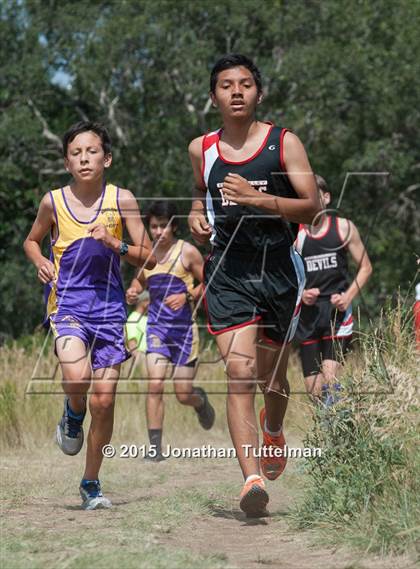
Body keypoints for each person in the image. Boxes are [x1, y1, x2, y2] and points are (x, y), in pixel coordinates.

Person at [187, 53, 321, 517]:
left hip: (279, 273)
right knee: (239, 372)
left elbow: (312, 208)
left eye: (245, 84)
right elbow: (200, 194)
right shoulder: (200, 148)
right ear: (214, 97)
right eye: (227, 85)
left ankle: (274, 431)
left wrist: (256, 199)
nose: (237, 91)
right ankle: (250, 480)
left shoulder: (284, 143)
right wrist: (195, 214)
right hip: (227, 272)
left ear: (258, 93)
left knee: (274, 380)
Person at [23, 121, 156, 509]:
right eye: (76, 153)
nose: (84, 158)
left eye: (92, 151)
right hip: (67, 304)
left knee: (104, 401)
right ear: (67, 162)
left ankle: (91, 482)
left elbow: (148, 254)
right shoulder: (53, 202)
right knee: (77, 377)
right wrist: (39, 261)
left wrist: (115, 242)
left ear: (107, 158)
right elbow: (31, 241)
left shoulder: (122, 199)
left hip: (110, 309)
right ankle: (71, 413)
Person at [126, 200, 215, 462]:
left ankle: (199, 401)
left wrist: (187, 295)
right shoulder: (147, 255)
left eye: (163, 226)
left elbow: (209, 281)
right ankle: (155, 449)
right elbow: (138, 280)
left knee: (182, 393)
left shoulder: (187, 252)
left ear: (173, 226)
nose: (158, 232)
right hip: (156, 330)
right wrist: (133, 291)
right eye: (153, 226)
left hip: (185, 332)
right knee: (154, 385)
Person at [295, 175, 372, 402]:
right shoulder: (297, 236)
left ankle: (339, 433)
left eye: (314, 196)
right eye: (303, 197)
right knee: (314, 391)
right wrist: (301, 294)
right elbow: (286, 275)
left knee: (330, 377)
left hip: (336, 313)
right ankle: (335, 426)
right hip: (308, 317)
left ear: (326, 198)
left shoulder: (343, 228)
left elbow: (366, 267)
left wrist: (348, 297)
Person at [125, 290, 150, 379]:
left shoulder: (147, 318)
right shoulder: (133, 318)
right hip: (141, 357)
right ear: (144, 302)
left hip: (149, 356)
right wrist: (139, 360)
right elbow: (132, 342)